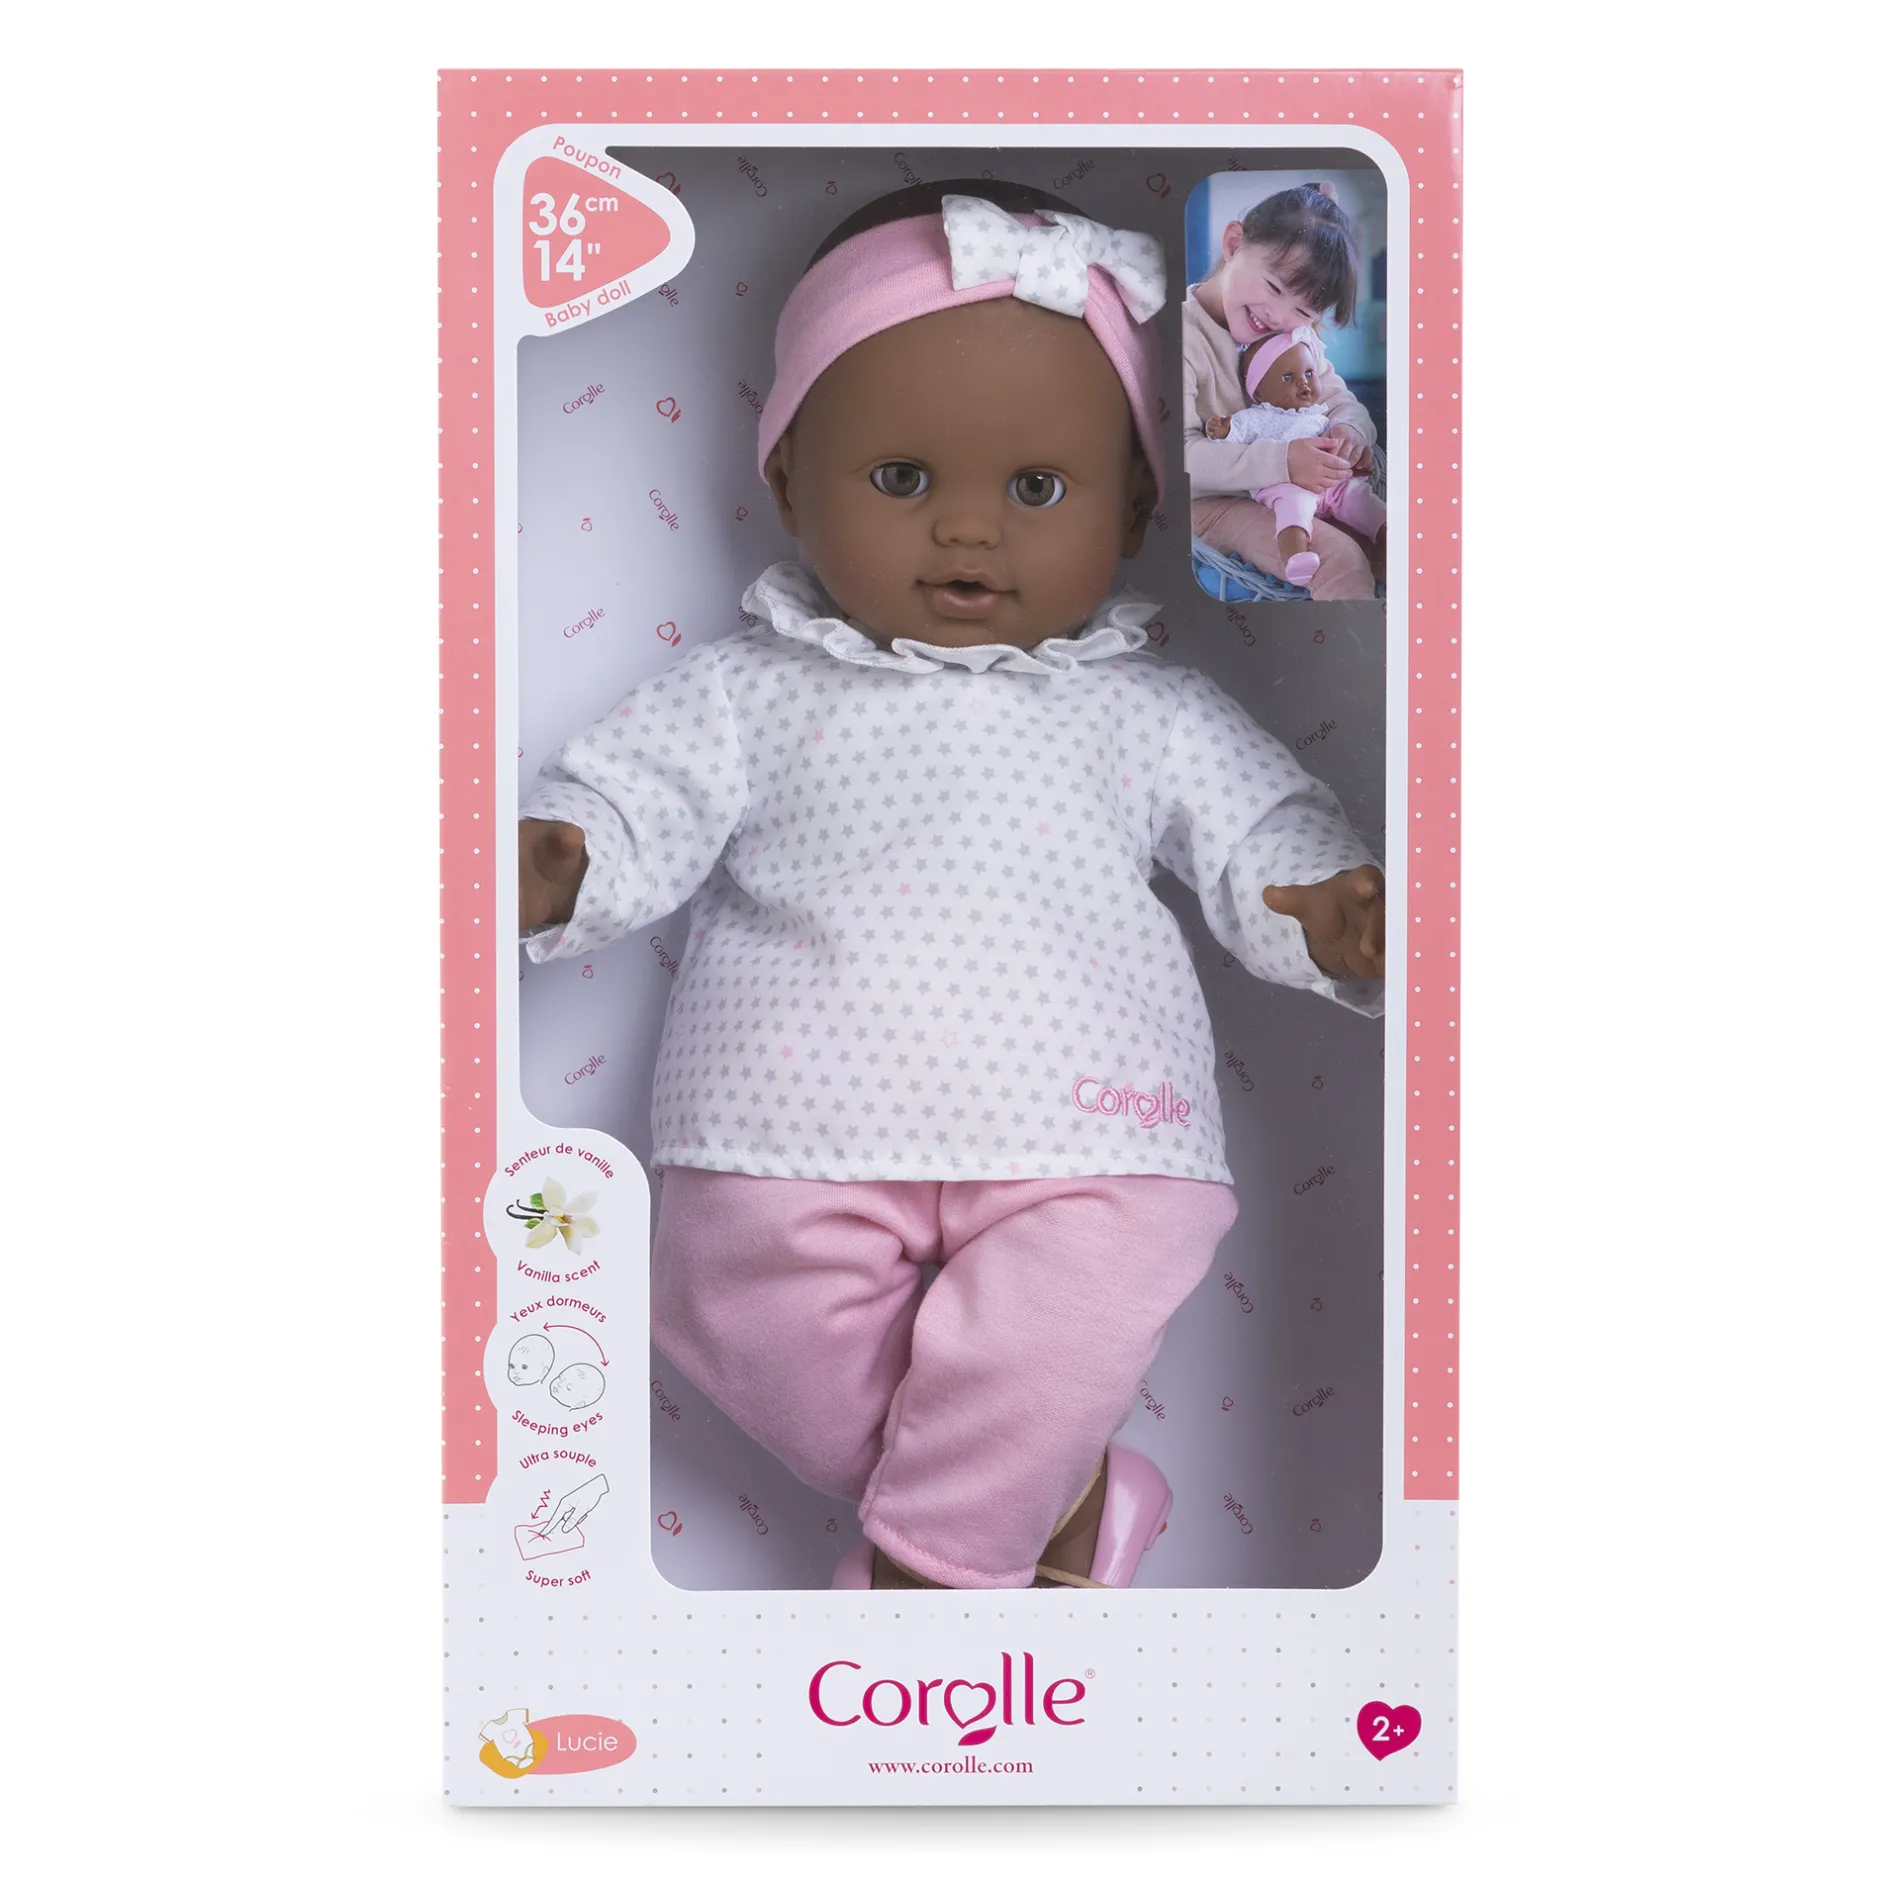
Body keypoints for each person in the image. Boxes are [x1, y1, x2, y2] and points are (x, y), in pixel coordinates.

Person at [517, 182, 1385, 1593]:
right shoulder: (746, 690)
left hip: (1091, 1123)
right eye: (903, 480)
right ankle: (1046, 1502)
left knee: (1080, 1309)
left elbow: (1260, 830)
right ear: (789, 483)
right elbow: (633, 797)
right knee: (722, 1309)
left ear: (1135, 507)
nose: (968, 531)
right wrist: (562, 857)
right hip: (779, 1117)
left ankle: (938, 1577)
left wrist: (1327, 903)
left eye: (1036, 489)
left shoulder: (1142, 707)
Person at [1184, 183, 1380, 600]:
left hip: (1299, 492)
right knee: (1339, 560)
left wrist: (1350, 431)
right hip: (1213, 501)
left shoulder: (1296, 337)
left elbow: (1341, 401)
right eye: (1273, 287)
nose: (1277, 316)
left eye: (1303, 310)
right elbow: (1181, 458)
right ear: (1233, 244)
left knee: (1391, 531)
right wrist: (1285, 462)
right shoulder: (1182, 337)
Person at [1204, 330, 1387, 586]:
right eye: (1288, 377)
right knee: (1292, 510)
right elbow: (1235, 432)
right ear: (1260, 393)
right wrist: (1223, 428)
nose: (1303, 383)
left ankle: (1388, 531)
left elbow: (1344, 438)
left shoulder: (1320, 415)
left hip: (1331, 485)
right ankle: (1296, 557)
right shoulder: (1261, 416)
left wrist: (1353, 458)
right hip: (1287, 484)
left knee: (1359, 497)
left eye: (1309, 374)